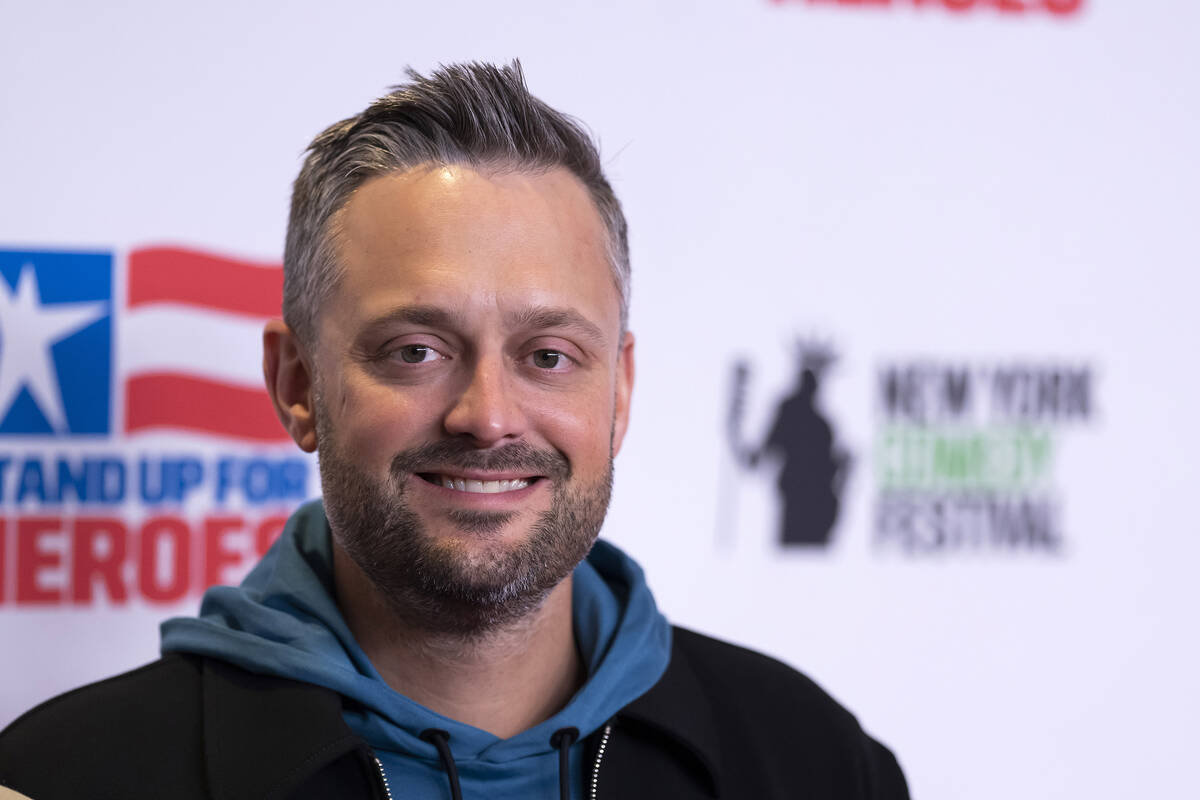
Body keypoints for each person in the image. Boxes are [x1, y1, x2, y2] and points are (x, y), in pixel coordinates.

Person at [0, 62, 909, 799]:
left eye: (548, 355)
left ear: (619, 392)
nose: (488, 417)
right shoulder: (64, 779)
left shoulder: (817, 765)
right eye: (416, 350)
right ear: (299, 384)